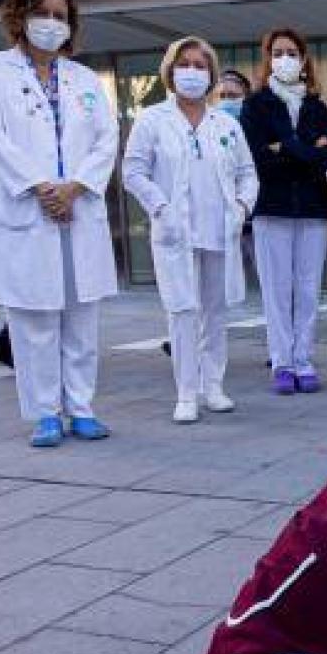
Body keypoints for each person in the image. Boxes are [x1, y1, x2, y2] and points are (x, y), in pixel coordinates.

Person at [0, 0, 120, 448]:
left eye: (61, 16)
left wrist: (76, 187)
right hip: (29, 210)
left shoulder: (84, 79)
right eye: (42, 13)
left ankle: (81, 406)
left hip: (77, 209)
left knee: (80, 316)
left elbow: (106, 138)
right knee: (34, 320)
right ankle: (45, 413)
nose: (52, 23)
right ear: (20, 15)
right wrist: (40, 187)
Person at [123, 37, 260, 423]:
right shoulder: (152, 119)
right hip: (175, 232)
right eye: (185, 63)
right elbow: (132, 171)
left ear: (211, 75)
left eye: (201, 65)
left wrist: (241, 206)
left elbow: (248, 173)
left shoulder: (226, 123)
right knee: (182, 311)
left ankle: (212, 385)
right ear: (170, 70)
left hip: (219, 230)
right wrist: (160, 207)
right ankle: (186, 391)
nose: (192, 71)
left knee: (215, 312)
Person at [239, 29, 327, 395]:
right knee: (276, 290)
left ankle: (304, 360)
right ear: (268, 59)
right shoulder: (256, 105)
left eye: (292, 52)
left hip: (313, 209)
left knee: (308, 289)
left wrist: (287, 147)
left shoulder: (318, 106)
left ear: (304, 59)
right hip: (271, 209)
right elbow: (259, 158)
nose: (285, 58)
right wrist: (305, 150)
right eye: (278, 52)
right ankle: (282, 363)